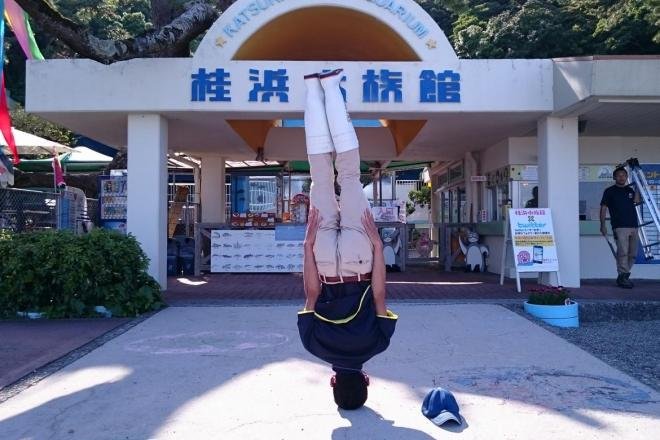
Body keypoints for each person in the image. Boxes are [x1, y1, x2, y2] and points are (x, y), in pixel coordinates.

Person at [297, 68, 397, 410]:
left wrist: (378, 246)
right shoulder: (314, 346)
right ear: (334, 382)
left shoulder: (378, 344)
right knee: (320, 176)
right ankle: (313, 88)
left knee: (351, 173)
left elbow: (380, 292)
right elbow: (312, 291)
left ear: (365, 380)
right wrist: (307, 247)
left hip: (359, 260)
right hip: (325, 262)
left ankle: (331, 86)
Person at [600, 166, 640, 288]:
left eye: (624, 175)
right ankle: (623, 276)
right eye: (619, 175)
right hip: (619, 226)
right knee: (623, 252)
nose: (622, 177)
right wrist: (602, 225)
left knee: (632, 254)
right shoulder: (609, 191)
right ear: (614, 177)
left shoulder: (629, 190)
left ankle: (623, 276)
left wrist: (637, 187)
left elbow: (636, 202)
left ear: (627, 177)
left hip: (633, 225)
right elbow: (603, 208)